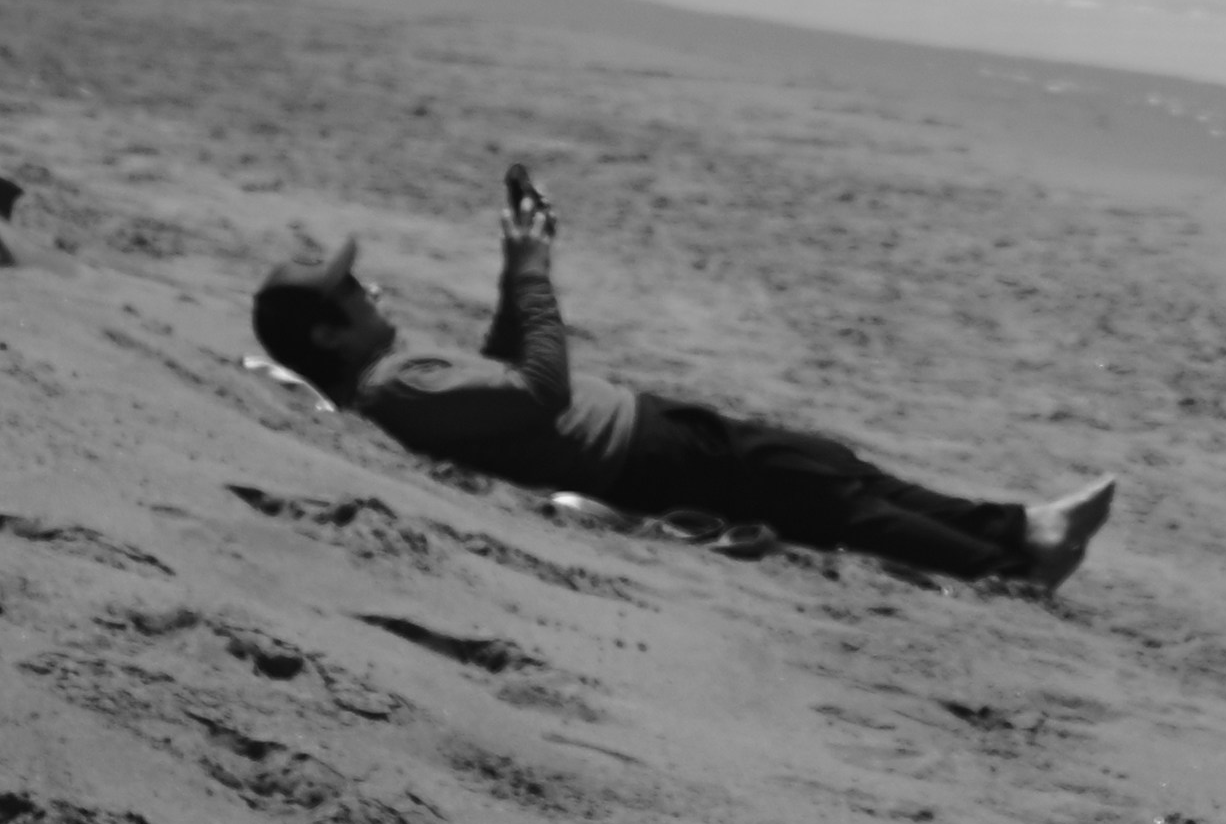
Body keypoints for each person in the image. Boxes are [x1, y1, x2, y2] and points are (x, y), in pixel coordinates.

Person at [251, 163, 1114, 592]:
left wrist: (519, 266)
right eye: (352, 290)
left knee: (829, 469)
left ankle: (1019, 530)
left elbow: (511, 381)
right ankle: (1006, 566)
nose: (372, 289)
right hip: (643, 457)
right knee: (828, 500)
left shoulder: (401, 380)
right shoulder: (394, 386)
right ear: (331, 330)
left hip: (646, 439)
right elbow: (540, 391)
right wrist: (532, 274)